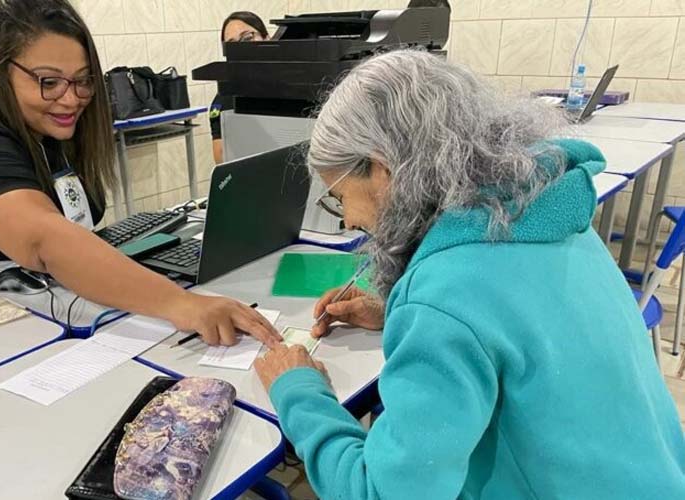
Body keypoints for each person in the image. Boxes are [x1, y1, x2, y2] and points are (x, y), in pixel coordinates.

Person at [254, 50, 685, 498]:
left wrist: (299, 392)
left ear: (383, 170)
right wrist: (398, 313)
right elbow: (515, 322)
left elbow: (379, 492)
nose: (346, 219)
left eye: (339, 195)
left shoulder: (444, 297)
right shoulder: (544, 213)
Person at [0, 0, 279, 348]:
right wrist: (182, 305)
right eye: (49, 81)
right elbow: (44, 240)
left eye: (83, 80)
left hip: (42, 312)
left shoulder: (48, 131)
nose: (71, 99)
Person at [209, 11, 269, 165]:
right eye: (231, 44)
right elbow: (221, 155)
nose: (241, 47)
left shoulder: (294, 85)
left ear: (266, 38)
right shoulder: (225, 97)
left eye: (247, 38)